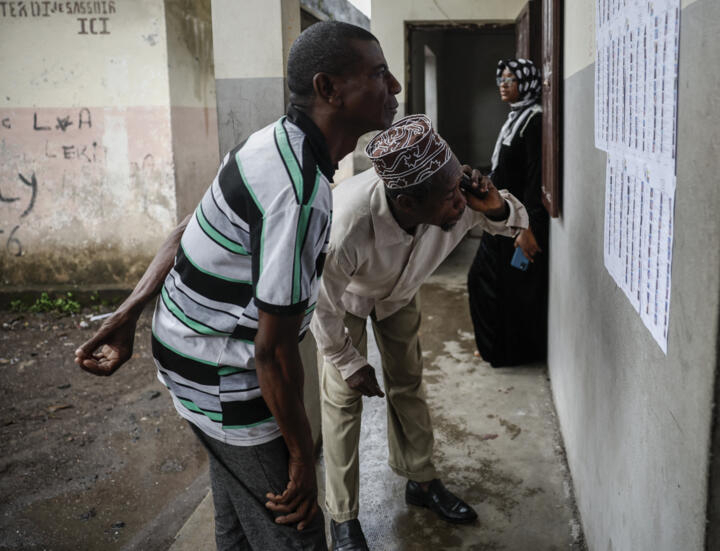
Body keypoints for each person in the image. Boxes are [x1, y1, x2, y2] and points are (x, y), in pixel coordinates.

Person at [74, 21, 401, 551]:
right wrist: (298, 456)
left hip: (185, 356)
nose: (395, 88)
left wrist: (130, 313)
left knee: (238, 524)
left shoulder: (269, 140)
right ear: (328, 89)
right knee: (295, 528)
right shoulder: (299, 194)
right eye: (379, 74)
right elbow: (271, 353)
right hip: (221, 378)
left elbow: (187, 228)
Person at [311, 114, 528, 550]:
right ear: (407, 203)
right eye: (450, 197)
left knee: (407, 382)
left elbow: (510, 220)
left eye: (458, 189)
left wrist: (498, 208)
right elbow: (322, 305)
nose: (459, 202)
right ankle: (342, 517)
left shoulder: (455, 197)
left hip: (401, 293)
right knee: (343, 400)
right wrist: (350, 362)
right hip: (348, 297)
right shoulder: (347, 225)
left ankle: (421, 480)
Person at [467, 58, 548, 367]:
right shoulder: (518, 116)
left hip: (517, 221)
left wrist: (526, 228)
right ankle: (493, 348)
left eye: (511, 79)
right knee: (487, 282)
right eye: (500, 78)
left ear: (526, 83)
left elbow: (534, 178)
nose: (503, 83)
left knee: (507, 287)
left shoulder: (534, 120)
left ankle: (505, 352)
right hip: (500, 213)